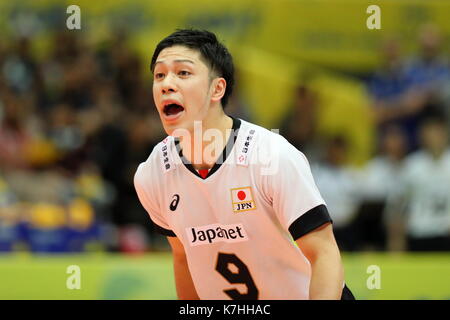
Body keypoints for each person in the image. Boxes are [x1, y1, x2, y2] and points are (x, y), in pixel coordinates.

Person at [134, 29, 354, 300]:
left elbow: (324, 253)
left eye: (183, 73)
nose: (166, 84)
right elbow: (182, 258)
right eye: (159, 75)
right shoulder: (152, 174)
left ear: (217, 88)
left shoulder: (271, 156)